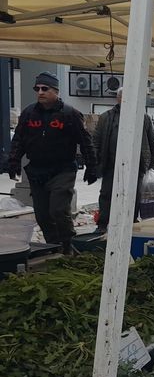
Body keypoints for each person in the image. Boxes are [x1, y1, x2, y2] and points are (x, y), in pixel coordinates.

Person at [8, 72, 98, 253]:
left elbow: (85, 141)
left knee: (58, 210)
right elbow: (19, 139)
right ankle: (54, 246)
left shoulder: (70, 114)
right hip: (37, 171)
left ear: (56, 91)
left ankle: (68, 245)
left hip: (62, 170)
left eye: (45, 88)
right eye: (37, 89)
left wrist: (92, 166)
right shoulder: (29, 113)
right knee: (42, 215)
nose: (40, 92)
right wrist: (13, 161)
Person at [93, 87, 154, 231]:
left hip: (136, 165)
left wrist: (149, 164)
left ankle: (131, 222)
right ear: (118, 98)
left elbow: (153, 143)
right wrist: (96, 161)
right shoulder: (106, 117)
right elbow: (96, 141)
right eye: (124, 96)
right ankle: (103, 224)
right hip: (111, 164)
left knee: (133, 195)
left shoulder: (143, 117)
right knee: (107, 194)